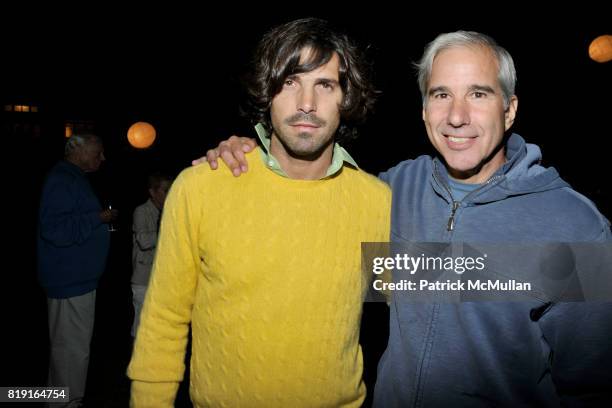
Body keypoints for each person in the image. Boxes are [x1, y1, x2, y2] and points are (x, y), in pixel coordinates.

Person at [200, 30, 612, 406]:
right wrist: (254, 157)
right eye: (441, 95)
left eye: (479, 94)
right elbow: (306, 210)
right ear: (423, 110)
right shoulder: (390, 193)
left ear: (509, 110)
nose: (456, 116)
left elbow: (591, 384)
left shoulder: (573, 227)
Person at [127, 18, 390, 407]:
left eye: (325, 84)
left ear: (346, 99)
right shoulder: (201, 188)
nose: (306, 103)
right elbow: (163, 321)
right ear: (266, 93)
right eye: (289, 82)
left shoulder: (377, 202)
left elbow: (440, 294)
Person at [37, 133, 117, 407]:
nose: (103, 158)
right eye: (99, 152)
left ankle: (56, 399)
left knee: (65, 349)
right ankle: (68, 403)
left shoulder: (72, 177)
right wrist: (97, 218)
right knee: (72, 350)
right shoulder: (62, 179)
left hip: (75, 279)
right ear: (78, 151)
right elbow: (54, 230)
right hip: (71, 280)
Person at [131, 172, 173, 337]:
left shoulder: (170, 211)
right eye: (165, 190)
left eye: (171, 190)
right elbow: (143, 241)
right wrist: (170, 230)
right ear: (152, 192)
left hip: (163, 279)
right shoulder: (141, 211)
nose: (169, 194)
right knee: (141, 327)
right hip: (143, 279)